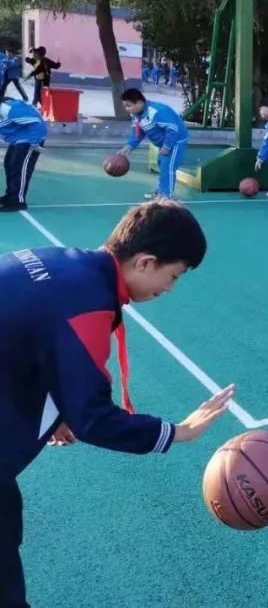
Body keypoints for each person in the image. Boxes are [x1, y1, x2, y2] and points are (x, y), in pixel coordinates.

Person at [0, 201, 236, 608]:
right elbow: (93, 419)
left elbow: (26, 338)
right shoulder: (88, 304)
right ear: (145, 262)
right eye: (173, 276)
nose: (169, 289)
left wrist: (60, 400)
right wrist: (179, 432)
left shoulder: (62, 262)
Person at [117, 89, 189, 200]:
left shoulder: (156, 111)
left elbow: (173, 129)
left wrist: (167, 146)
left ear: (140, 102)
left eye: (129, 106)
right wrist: (128, 147)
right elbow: (138, 133)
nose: (127, 109)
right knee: (161, 163)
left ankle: (166, 197)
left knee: (168, 167)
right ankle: (161, 191)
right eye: (125, 106)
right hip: (163, 142)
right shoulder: (136, 115)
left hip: (175, 141)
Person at [0, 98, 46, 212]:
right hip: (18, 137)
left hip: (31, 138)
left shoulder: (10, 109)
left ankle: (17, 201)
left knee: (20, 168)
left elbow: (36, 122)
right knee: (9, 164)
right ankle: (11, 195)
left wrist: (35, 143)